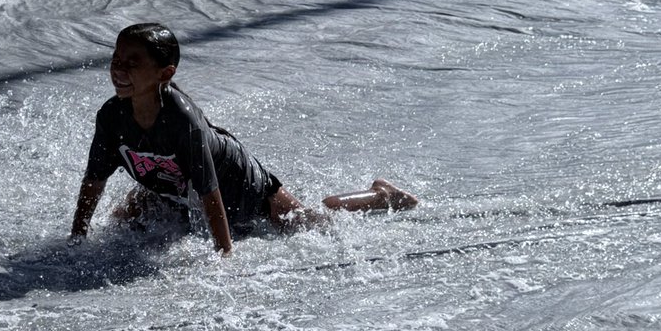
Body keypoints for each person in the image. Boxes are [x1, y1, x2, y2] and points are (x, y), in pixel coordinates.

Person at [69, 23, 418, 256]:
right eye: (116, 59)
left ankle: (381, 194)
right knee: (122, 222)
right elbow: (93, 182)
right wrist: (77, 239)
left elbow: (210, 192)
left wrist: (224, 256)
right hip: (171, 186)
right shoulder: (111, 117)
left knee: (306, 222)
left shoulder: (182, 120)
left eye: (133, 62)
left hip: (238, 181)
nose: (119, 68)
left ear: (166, 73)